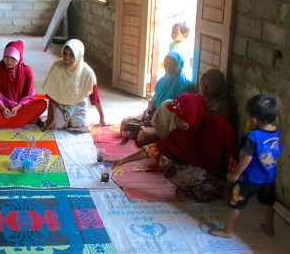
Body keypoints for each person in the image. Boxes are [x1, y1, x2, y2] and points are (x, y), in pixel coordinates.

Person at [112, 93, 239, 202]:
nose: (177, 122)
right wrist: (122, 161)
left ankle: (219, 186)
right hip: (200, 168)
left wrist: (228, 187)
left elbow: (232, 161)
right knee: (171, 171)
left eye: (181, 118)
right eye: (176, 117)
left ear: (193, 115)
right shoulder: (183, 131)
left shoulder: (219, 129)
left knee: (199, 194)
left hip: (224, 173)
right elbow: (154, 148)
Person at [210, 94, 282, 238]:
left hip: (249, 180)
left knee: (235, 204)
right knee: (267, 204)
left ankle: (228, 230)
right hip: (268, 179)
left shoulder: (252, 137)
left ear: (255, 119)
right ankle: (269, 229)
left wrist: (236, 173)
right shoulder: (276, 131)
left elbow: (247, 158)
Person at [120, 50, 195, 140]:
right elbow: (154, 99)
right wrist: (148, 111)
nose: (167, 67)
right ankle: (142, 128)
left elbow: (178, 114)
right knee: (125, 123)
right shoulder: (163, 81)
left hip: (164, 122)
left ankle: (142, 130)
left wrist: (155, 119)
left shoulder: (186, 86)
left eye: (171, 64)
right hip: (152, 113)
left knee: (143, 136)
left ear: (178, 66)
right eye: (166, 63)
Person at [151, 68, 234, 140]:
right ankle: (167, 140)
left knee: (177, 117)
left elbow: (211, 130)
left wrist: (188, 122)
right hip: (192, 130)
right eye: (203, 83)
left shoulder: (220, 105)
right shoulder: (201, 97)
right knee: (168, 104)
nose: (204, 88)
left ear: (217, 87)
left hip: (202, 139)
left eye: (209, 85)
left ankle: (174, 146)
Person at [41, 39, 99, 132]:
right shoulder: (57, 67)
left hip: (77, 104)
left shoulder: (87, 72)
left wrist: (102, 117)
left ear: (79, 55)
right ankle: (62, 119)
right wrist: (53, 117)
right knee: (57, 125)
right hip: (59, 103)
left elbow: (95, 96)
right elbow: (51, 94)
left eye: (72, 55)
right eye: (65, 53)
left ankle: (71, 119)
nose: (66, 58)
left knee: (80, 125)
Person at [0, 40, 47, 128]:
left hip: (20, 108)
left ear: (19, 57)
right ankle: (22, 121)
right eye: (6, 57)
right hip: (1, 108)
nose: (8, 61)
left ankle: (7, 122)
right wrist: (4, 109)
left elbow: (29, 95)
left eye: (13, 58)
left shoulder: (27, 71)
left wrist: (17, 108)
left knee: (42, 104)